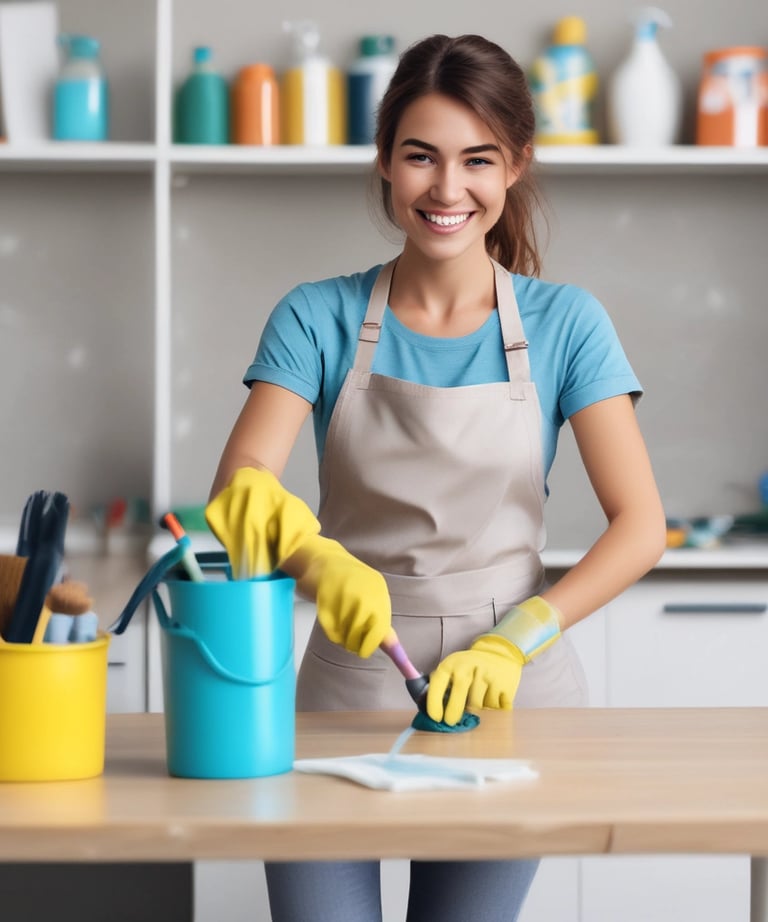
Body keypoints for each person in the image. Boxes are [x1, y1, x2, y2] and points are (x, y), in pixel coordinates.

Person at [207, 32, 666, 922]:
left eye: (477, 159)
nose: (447, 189)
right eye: (421, 156)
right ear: (384, 159)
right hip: (350, 675)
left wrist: (520, 636)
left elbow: (641, 524)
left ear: (516, 165)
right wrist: (317, 560)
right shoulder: (318, 315)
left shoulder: (568, 323)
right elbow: (240, 485)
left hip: (512, 684)